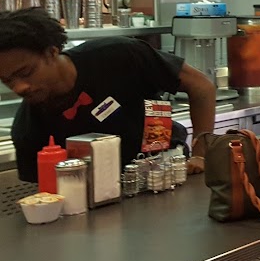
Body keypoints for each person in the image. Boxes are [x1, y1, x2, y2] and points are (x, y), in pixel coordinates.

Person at [0, 9, 218, 182]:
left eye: (26, 73)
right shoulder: (28, 130)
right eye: (7, 80)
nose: (19, 88)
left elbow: (201, 86)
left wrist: (201, 154)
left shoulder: (118, 56)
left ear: (51, 52)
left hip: (169, 172)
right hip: (103, 203)